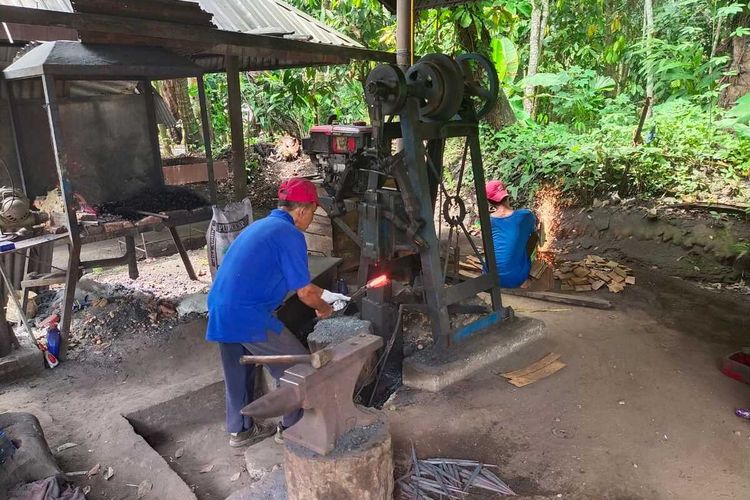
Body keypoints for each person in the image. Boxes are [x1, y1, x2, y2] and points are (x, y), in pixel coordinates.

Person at [206, 178, 340, 448]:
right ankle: (292, 428)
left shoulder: (262, 226)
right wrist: (326, 308)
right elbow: (304, 292)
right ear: (301, 210)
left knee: (238, 372)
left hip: (220, 308)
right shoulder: (288, 234)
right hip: (247, 314)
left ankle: (240, 431)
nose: (311, 219)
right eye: (313, 212)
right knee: (298, 370)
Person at [485, 180, 538, 288]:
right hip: (515, 279)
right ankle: (520, 268)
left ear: (489, 201)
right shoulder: (525, 216)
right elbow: (534, 235)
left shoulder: (487, 221)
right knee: (534, 236)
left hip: (489, 277)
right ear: (507, 194)